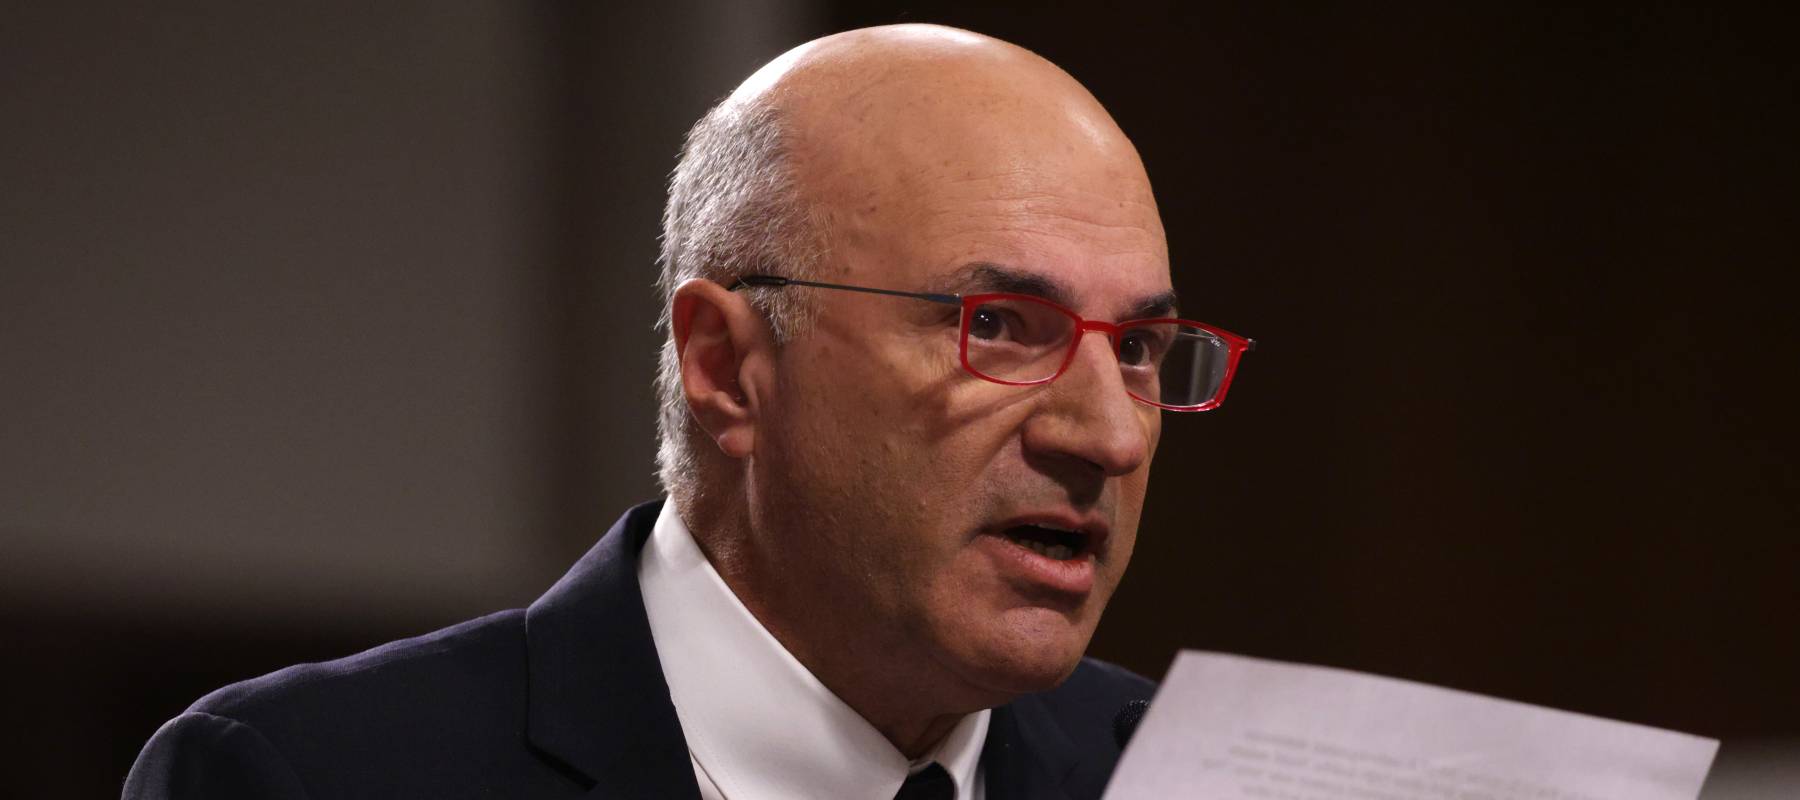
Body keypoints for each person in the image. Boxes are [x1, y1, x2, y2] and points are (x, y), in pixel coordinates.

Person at [124, 23, 1253, 800]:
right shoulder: (310, 776)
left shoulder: (1197, 776)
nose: (1107, 434)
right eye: (1000, 326)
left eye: (1142, 348)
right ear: (726, 363)